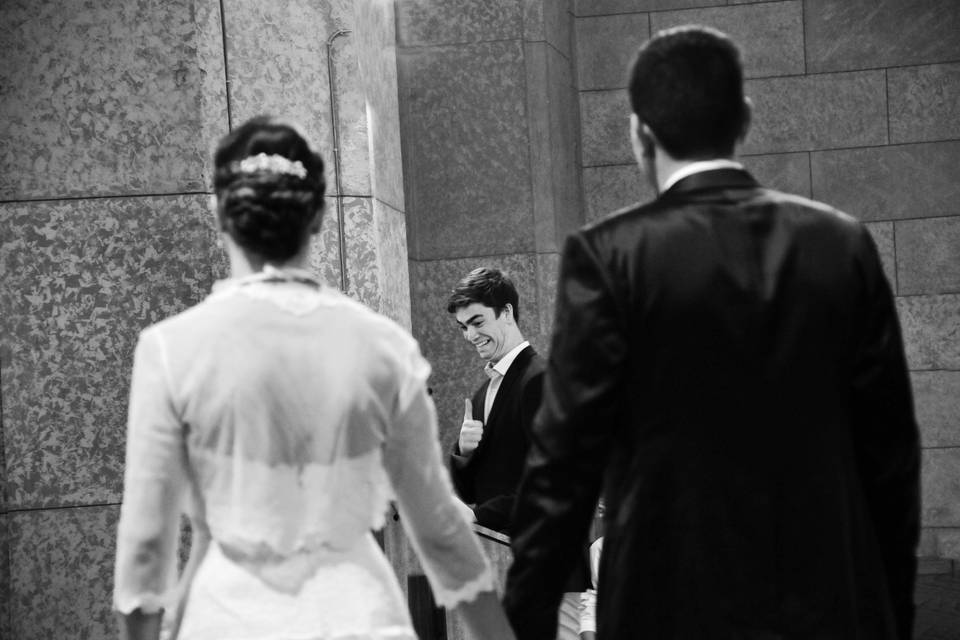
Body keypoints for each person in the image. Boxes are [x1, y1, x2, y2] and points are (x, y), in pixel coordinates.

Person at [504, 25, 920, 640]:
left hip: (667, 604)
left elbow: (564, 461)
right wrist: (891, 609)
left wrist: (528, 614)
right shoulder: (841, 245)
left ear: (639, 132)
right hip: (829, 600)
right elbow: (889, 453)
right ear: (744, 119)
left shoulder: (609, 256)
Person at [113, 116, 515, 640]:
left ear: (219, 214)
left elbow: (147, 543)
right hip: (358, 617)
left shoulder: (171, 349)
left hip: (229, 618)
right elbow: (440, 530)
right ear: (320, 217)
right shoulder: (382, 347)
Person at [447, 267, 544, 534]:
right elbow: (470, 493)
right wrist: (465, 452)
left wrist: (480, 516)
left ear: (507, 313)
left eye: (477, 322)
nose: (470, 335)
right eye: (464, 327)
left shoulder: (541, 380)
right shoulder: (483, 394)